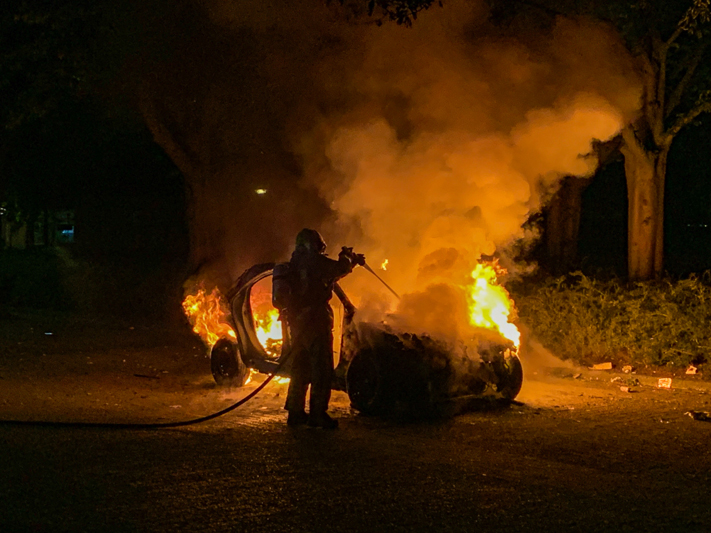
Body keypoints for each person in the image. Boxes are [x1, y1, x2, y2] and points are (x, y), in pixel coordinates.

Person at [283, 228, 364, 429]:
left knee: (300, 368)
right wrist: (346, 255)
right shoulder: (314, 261)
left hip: (297, 323)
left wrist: (351, 263)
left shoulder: (294, 263)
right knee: (321, 369)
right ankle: (318, 414)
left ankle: (295, 412)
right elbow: (337, 269)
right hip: (315, 321)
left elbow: (329, 276)